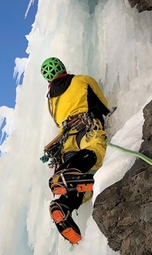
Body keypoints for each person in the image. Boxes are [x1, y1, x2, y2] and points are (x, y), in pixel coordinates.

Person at [40, 57, 110, 245]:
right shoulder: (82, 80)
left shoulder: (51, 101)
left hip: (65, 141)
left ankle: (64, 205)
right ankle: (66, 172)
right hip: (85, 126)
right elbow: (104, 105)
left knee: (78, 182)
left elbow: (57, 121)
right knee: (96, 151)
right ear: (62, 68)